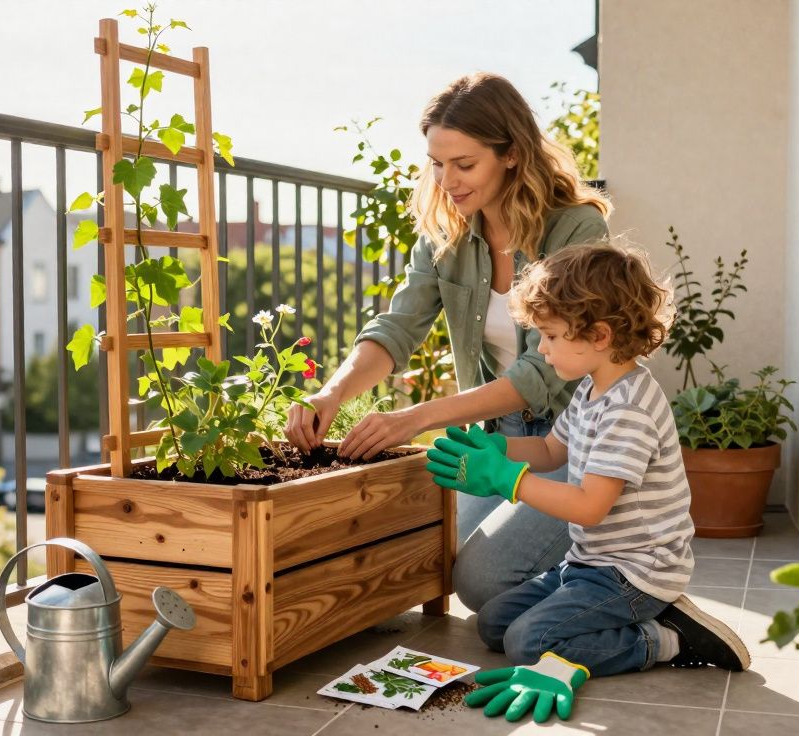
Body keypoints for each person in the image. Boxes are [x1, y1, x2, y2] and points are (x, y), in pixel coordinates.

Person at [284, 72, 610, 612]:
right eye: (437, 164)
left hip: (577, 442)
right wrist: (331, 395)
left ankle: (620, 581)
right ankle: (579, 560)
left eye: (464, 165)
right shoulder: (448, 233)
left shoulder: (574, 230)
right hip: (498, 441)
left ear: (511, 154)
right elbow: (397, 328)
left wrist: (415, 419)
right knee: (432, 551)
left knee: (479, 583)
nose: (447, 180)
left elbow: (540, 374)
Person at [425, 243, 749, 725]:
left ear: (599, 334)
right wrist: (498, 451)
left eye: (551, 337)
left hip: (636, 571)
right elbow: (553, 452)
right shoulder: (592, 391)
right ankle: (632, 622)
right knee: (494, 622)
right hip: (589, 563)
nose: (543, 349)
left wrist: (507, 481)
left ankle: (665, 638)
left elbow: (590, 506)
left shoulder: (629, 409)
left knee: (528, 642)